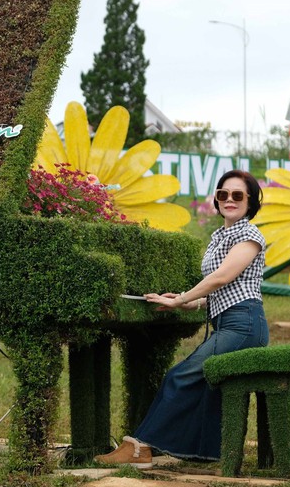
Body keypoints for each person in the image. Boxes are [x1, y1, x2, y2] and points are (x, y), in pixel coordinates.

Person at [94, 169, 269, 468]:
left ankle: (141, 447)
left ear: (250, 201)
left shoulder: (249, 235)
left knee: (181, 376)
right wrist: (181, 304)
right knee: (207, 382)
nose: (229, 200)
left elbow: (222, 277)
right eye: (223, 194)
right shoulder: (219, 237)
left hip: (245, 324)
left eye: (237, 195)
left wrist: (183, 297)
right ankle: (204, 452)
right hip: (227, 322)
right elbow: (220, 291)